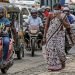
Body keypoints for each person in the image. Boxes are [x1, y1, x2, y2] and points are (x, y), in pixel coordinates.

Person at [44, 3, 71, 71]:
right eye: (55, 9)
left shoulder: (63, 16)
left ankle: (63, 63)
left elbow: (68, 26)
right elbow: (46, 26)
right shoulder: (50, 15)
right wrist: (44, 36)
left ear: (60, 9)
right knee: (51, 50)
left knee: (60, 50)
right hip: (50, 35)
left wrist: (61, 20)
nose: (56, 11)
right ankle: (53, 66)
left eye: (57, 9)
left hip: (60, 35)